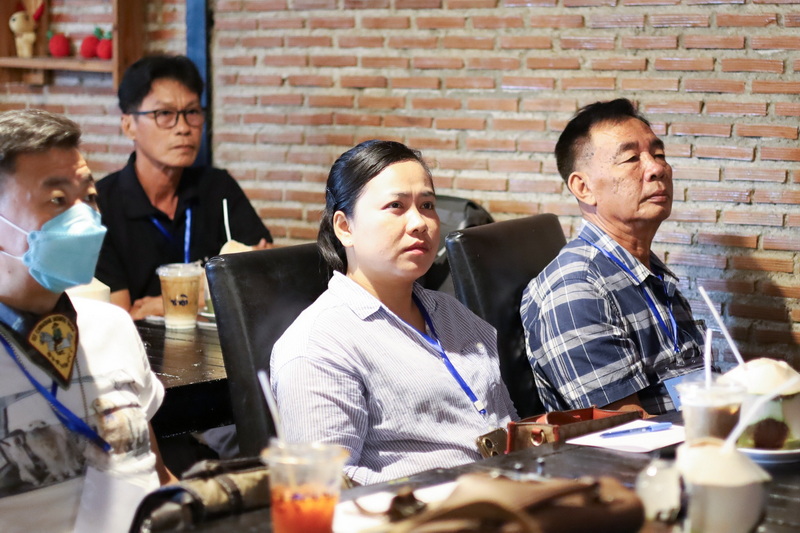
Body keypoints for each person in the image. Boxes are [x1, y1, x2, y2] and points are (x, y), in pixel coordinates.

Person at [270, 140, 518, 485]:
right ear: (345, 228)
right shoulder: (318, 345)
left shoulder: (452, 313)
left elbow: (507, 424)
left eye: (427, 205)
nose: (420, 223)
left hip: (511, 492)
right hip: (421, 509)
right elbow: (325, 484)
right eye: (396, 206)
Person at [0, 109, 176, 532]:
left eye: (90, 197)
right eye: (58, 200)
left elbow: (156, 477)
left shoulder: (113, 326)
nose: (84, 220)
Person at [521, 99, 704, 416]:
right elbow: (626, 430)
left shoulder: (650, 272)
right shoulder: (577, 290)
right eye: (632, 158)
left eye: (659, 155)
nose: (657, 168)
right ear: (583, 187)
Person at [96, 54, 272, 320]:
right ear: (129, 125)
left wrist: (171, 301)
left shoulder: (218, 187)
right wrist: (219, 287)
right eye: (164, 114)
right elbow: (119, 316)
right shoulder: (101, 205)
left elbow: (265, 277)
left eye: (192, 112)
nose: (183, 128)